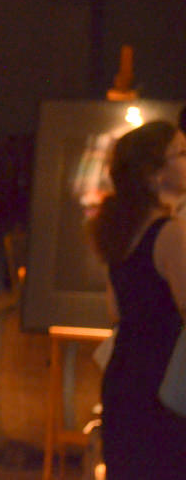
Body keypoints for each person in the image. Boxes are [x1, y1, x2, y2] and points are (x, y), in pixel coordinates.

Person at [88, 120, 186, 479]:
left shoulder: (121, 232)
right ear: (153, 173)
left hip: (125, 375)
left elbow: (115, 309)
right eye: (181, 153)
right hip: (162, 383)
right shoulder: (170, 233)